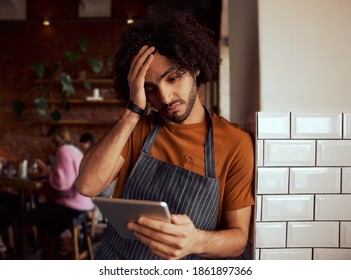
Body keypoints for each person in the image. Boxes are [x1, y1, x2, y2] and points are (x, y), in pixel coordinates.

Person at [76, 10, 254, 260]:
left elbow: (237, 240)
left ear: (196, 69)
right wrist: (133, 110)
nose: (165, 97)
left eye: (173, 78)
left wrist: (197, 241)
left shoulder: (236, 144)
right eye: (151, 89)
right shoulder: (137, 128)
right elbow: (87, 185)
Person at [27, 125, 94, 257]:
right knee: (47, 207)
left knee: (30, 216)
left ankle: (64, 235)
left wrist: (46, 170)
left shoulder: (62, 151)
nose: (48, 143)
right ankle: (63, 237)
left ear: (54, 138)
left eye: (49, 139)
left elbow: (63, 184)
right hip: (85, 203)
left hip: (73, 205)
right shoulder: (74, 150)